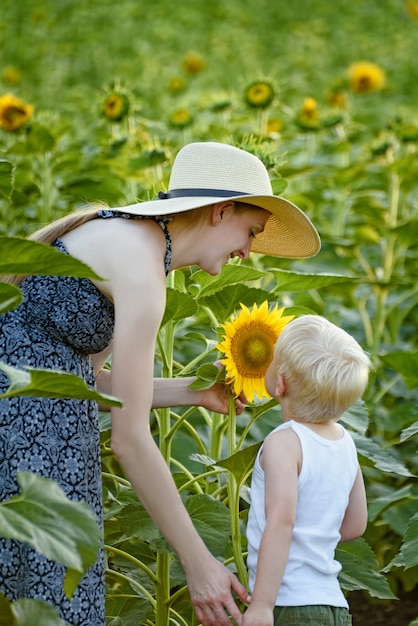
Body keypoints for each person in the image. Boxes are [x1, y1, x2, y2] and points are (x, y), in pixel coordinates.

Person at [0, 141, 320, 626]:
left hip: (37, 427)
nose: (248, 251)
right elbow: (130, 441)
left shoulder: (132, 243)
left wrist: (192, 391)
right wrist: (199, 564)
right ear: (221, 210)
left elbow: (85, 381)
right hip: (31, 445)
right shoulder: (142, 267)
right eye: (250, 231)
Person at [243, 314, 371, 626]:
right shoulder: (346, 444)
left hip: (287, 604)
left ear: (281, 381)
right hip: (333, 605)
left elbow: (280, 522)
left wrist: (261, 605)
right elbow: (355, 525)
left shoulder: (285, 443)